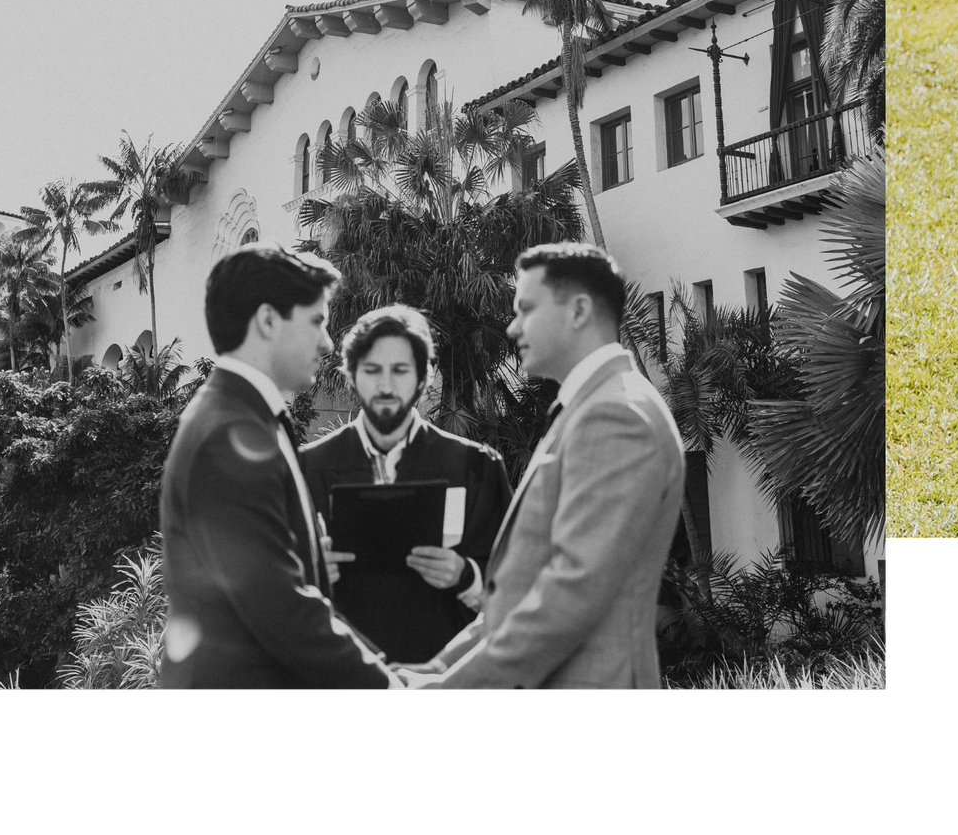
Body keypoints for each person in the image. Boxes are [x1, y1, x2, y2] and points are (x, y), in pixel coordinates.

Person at [402, 244, 683, 689]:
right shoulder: (590, 407)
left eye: (526, 309)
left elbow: (570, 595)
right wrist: (426, 675)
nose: (512, 327)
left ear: (579, 311)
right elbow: (514, 600)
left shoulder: (616, 416)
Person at [156, 244, 396, 688]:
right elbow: (281, 607)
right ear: (267, 321)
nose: (327, 343)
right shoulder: (225, 434)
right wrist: (390, 684)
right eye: (317, 322)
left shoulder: (245, 417)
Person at [297, 303, 511, 665]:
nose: (385, 385)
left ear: (423, 378)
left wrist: (465, 575)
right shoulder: (307, 469)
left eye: (400, 370)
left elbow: (517, 590)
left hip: (446, 676)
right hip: (343, 676)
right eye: (372, 370)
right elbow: (270, 592)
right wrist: (312, 574)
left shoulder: (474, 466)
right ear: (351, 376)